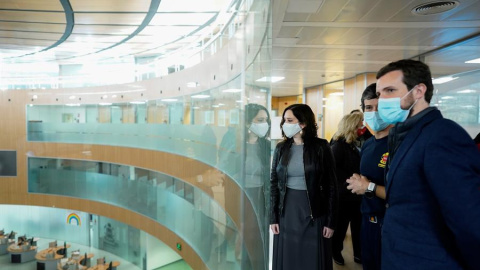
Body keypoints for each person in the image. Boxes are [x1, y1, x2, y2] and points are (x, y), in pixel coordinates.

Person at [375, 59, 480, 270]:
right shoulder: (403, 135)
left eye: (390, 90)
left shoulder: (442, 135)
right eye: (379, 94)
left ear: (419, 91)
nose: (381, 100)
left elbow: (467, 217)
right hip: (400, 257)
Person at [270, 104, 337, 270]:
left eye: (289, 120)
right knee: (289, 256)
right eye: (284, 120)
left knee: (311, 257)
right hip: (287, 209)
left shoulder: (321, 147)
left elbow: (331, 186)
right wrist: (273, 217)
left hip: (313, 210)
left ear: (303, 123)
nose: (285, 124)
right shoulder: (281, 148)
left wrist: (330, 221)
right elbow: (274, 183)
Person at [346, 83, 391, 270]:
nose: (374, 112)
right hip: (367, 221)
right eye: (369, 108)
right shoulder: (368, 144)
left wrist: (369, 187)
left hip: (389, 225)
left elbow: (405, 193)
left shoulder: (399, 145)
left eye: (380, 108)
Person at [330, 113, 363, 265]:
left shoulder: (359, 143)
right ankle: (336, 253)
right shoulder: (338, 146)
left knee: (358, 227)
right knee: (340, 228)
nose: (362, 127)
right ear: (352, 126)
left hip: (358, 194)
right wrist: (346, 184)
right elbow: (331, 173)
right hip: (343, 195)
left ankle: (359, 254)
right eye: (360, 124)